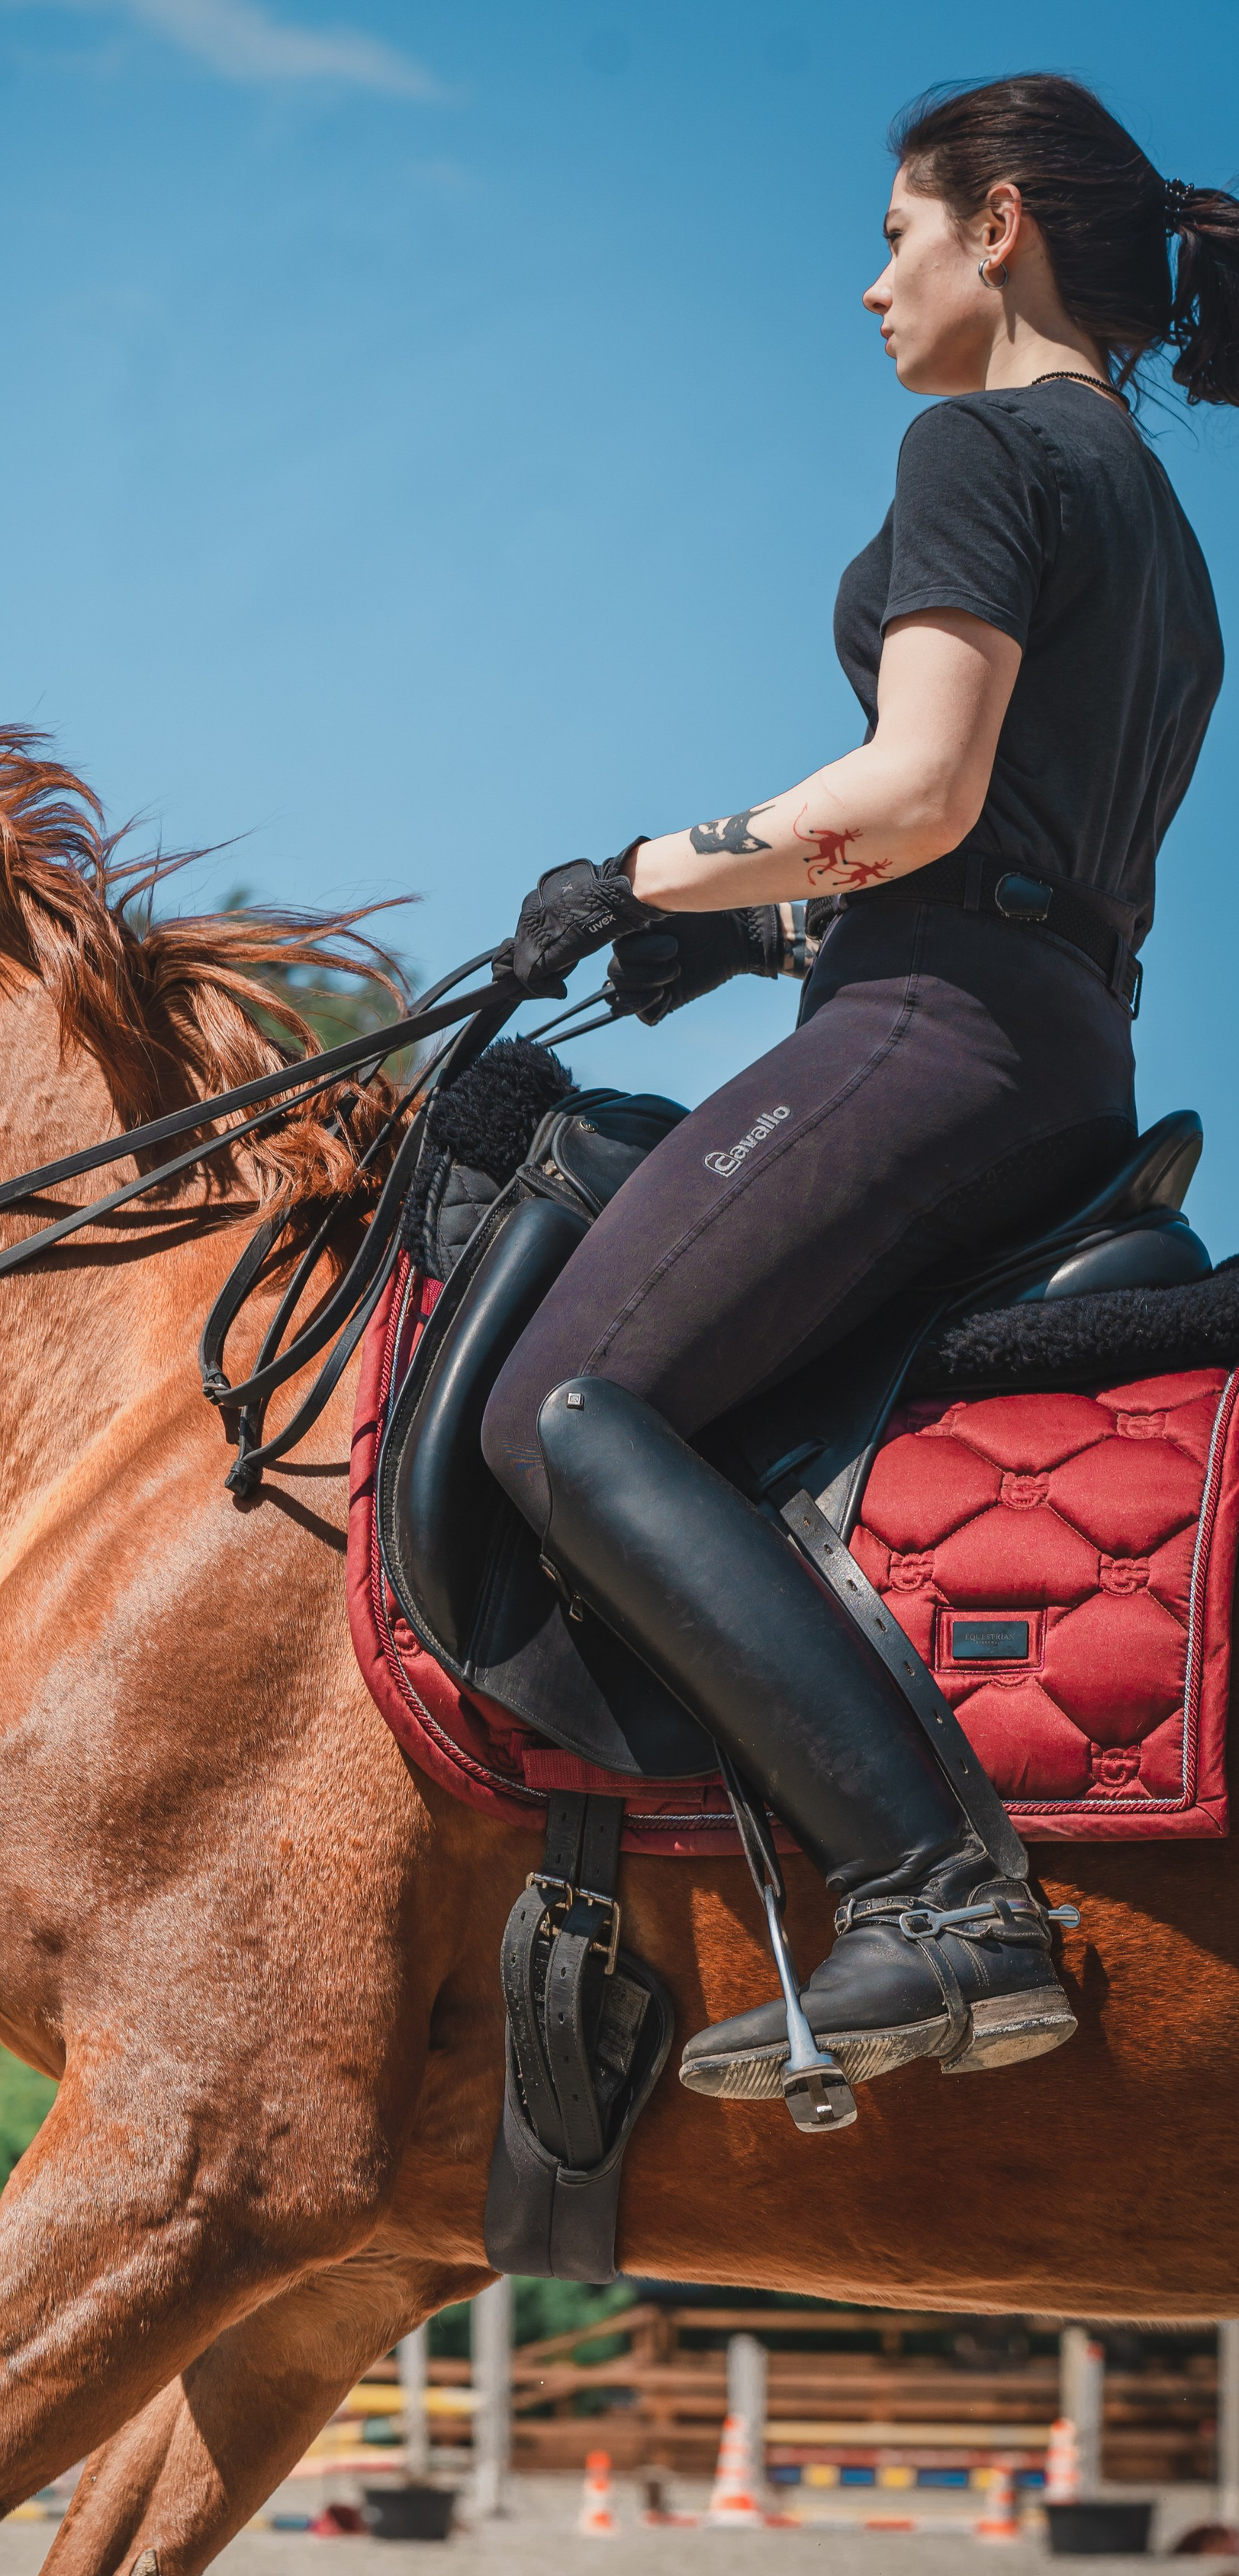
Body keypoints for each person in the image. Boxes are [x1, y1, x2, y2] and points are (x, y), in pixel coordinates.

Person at [478, 75, 1235, 2105]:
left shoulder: (975, 444)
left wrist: (640, 873)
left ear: (997, 230)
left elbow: (916, 793)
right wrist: (748, 933)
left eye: (895, 235)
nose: (871, 285)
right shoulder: (1158, 523)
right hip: (1053, 1036)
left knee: (564, 1408)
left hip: (943, 1035)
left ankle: (933, 1893)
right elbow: (1005, 850)